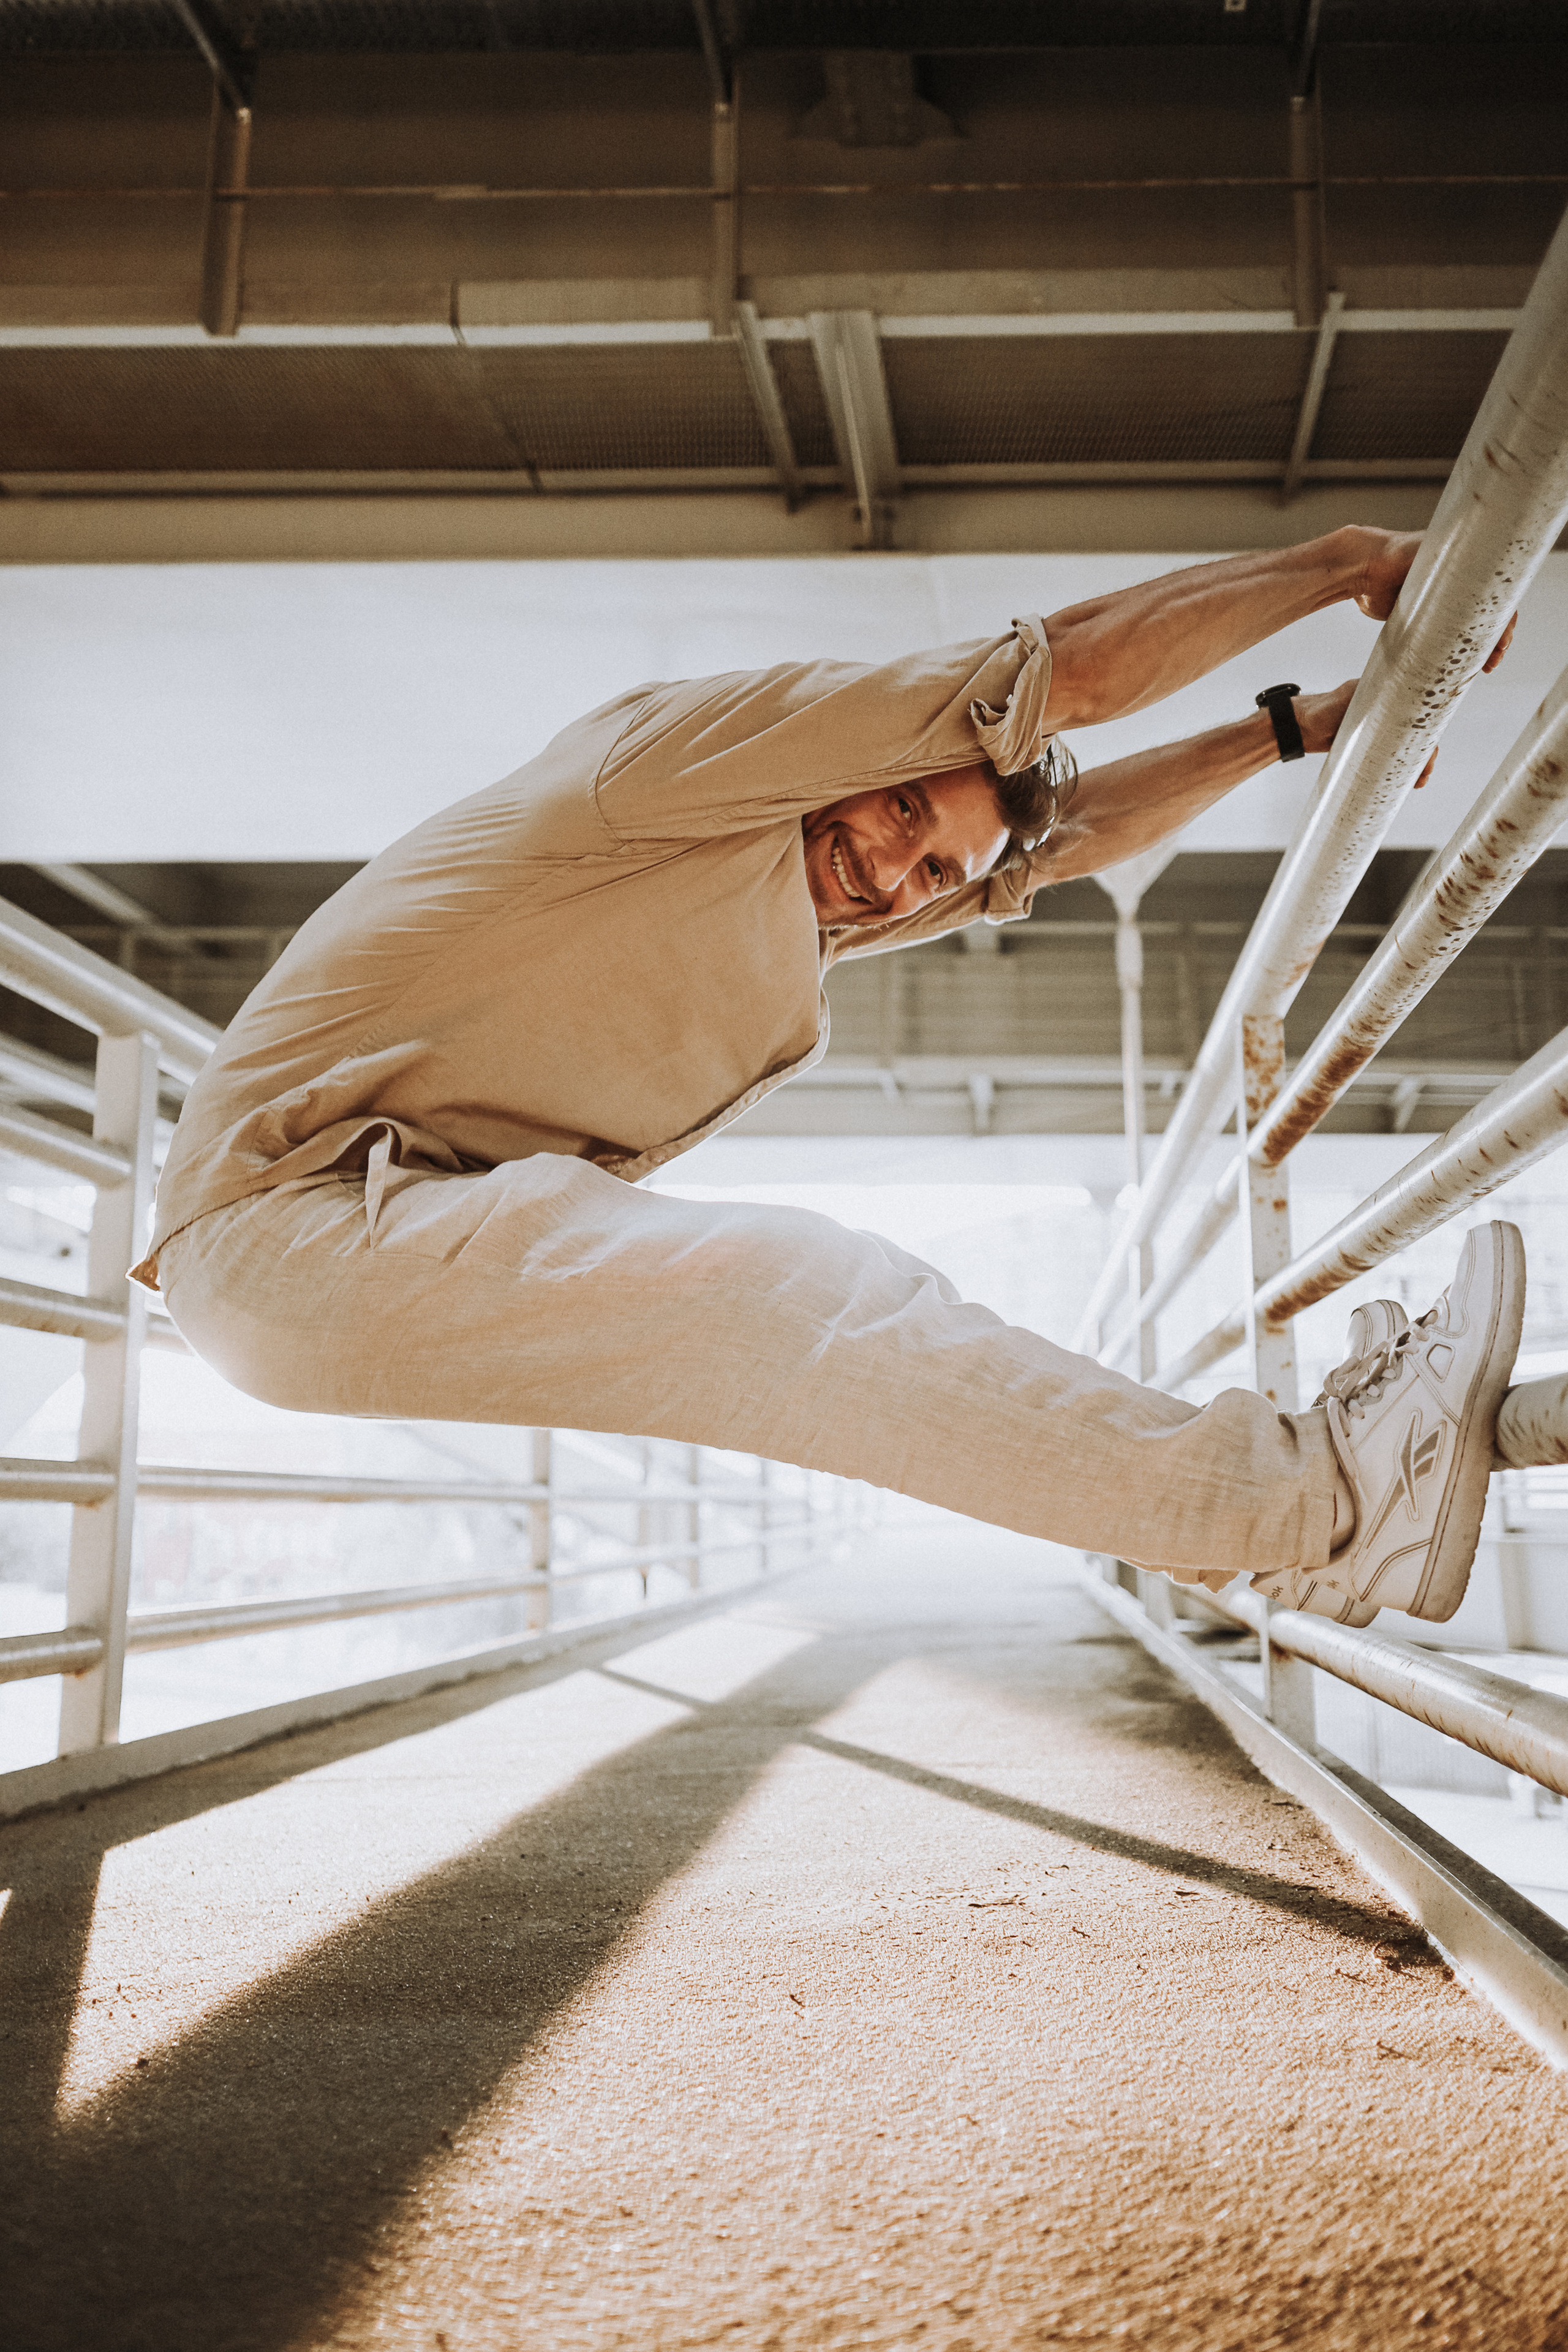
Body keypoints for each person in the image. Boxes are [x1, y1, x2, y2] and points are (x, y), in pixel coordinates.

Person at [131, 526, 1524, 1629]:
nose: (895, 868)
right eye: (903, 805)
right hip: (286, 1227)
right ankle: (1319, 1512)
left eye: (933, 868)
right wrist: (1345, 567)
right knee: (799, 1293)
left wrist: (1295, 730)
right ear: (861, 765)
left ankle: (1295, 1508)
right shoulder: (674, 777)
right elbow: (1063, 674)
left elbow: (1053, 839)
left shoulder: (819, 899)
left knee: (799, 1295)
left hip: (364, 1237)